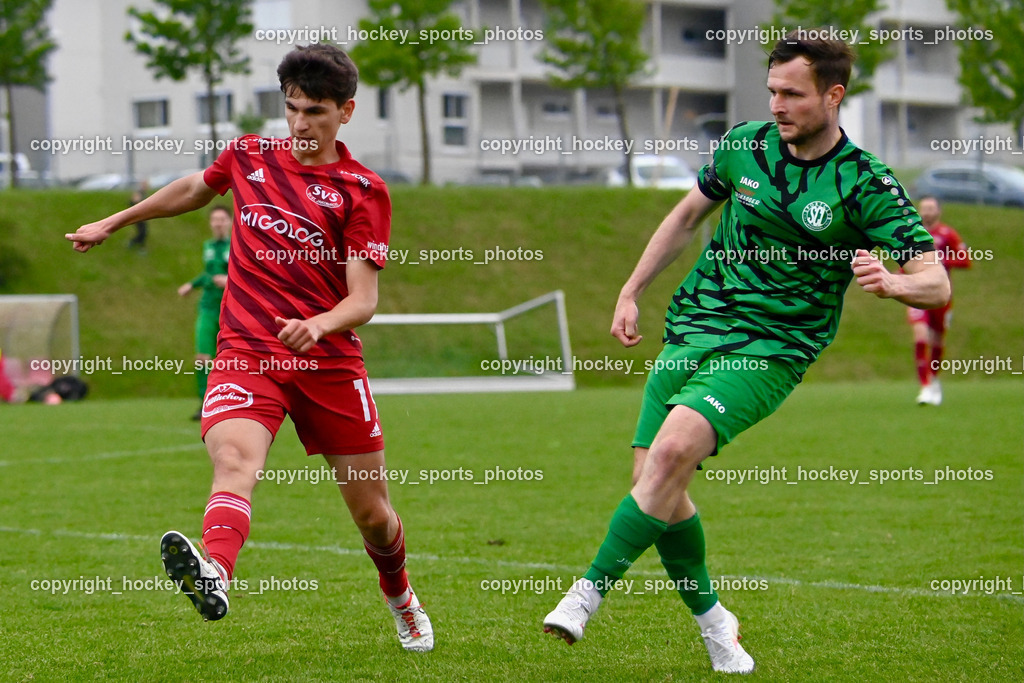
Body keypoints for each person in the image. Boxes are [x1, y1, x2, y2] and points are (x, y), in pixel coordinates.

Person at [542, 31, 949, 674]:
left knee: (671, 453)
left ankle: (585, 593)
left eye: (792, 93)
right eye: (772, 91)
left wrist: (895, 282)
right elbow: (684, 218)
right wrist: (630, 290)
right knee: (655, 484)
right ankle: (716, 624)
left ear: (833, 95)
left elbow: (937, 280)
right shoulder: (744, 146)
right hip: (698, 324)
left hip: (774, 345)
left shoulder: (865, 182)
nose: (777, 105)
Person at [66, 44, 433, 652]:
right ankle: (215, 572)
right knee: (234, 462)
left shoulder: (361, 189)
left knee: (373, 515)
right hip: (247, 351)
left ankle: (402, 598)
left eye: (314, 110)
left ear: (346, 112)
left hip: (328, 363)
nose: (299, 123)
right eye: (290, 108)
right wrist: (115, 221)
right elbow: (195, 188)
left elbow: (362, 300)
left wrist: (317, 324)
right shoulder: (249, 155)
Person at [907, 195, 970, 406]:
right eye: (923, 208)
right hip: (916, 293)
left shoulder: (947, 234)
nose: (926, 212)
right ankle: (924, 386)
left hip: (940, 295)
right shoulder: (913, 233)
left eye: (930, 208)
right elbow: (904, 260)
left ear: (938, 211)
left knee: (937, 340)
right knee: (920, 335)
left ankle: (933, 380)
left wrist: (942, 261)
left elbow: (965, 260)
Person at [178, 206, 231, 419]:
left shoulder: (238, 245)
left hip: (231, 310)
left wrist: (229, 281)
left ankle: (233, 401)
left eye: (222, 219)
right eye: (214, 219)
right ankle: (204, 402)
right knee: (202, 357)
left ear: (229, 222)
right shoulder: (207, 246)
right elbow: (208, 273)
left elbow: (249, 272)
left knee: (232, 358)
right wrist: (192, 284)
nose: (218, 223)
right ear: (210, 223)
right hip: (208, 308)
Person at [126, 181, 150, 250]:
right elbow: (134, 201)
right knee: (142, 232)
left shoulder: (143, 193)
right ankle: (133, 243)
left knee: (144, 232)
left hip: (141, 216)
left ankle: (140, 246)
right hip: (137, 216)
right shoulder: (139, 192)